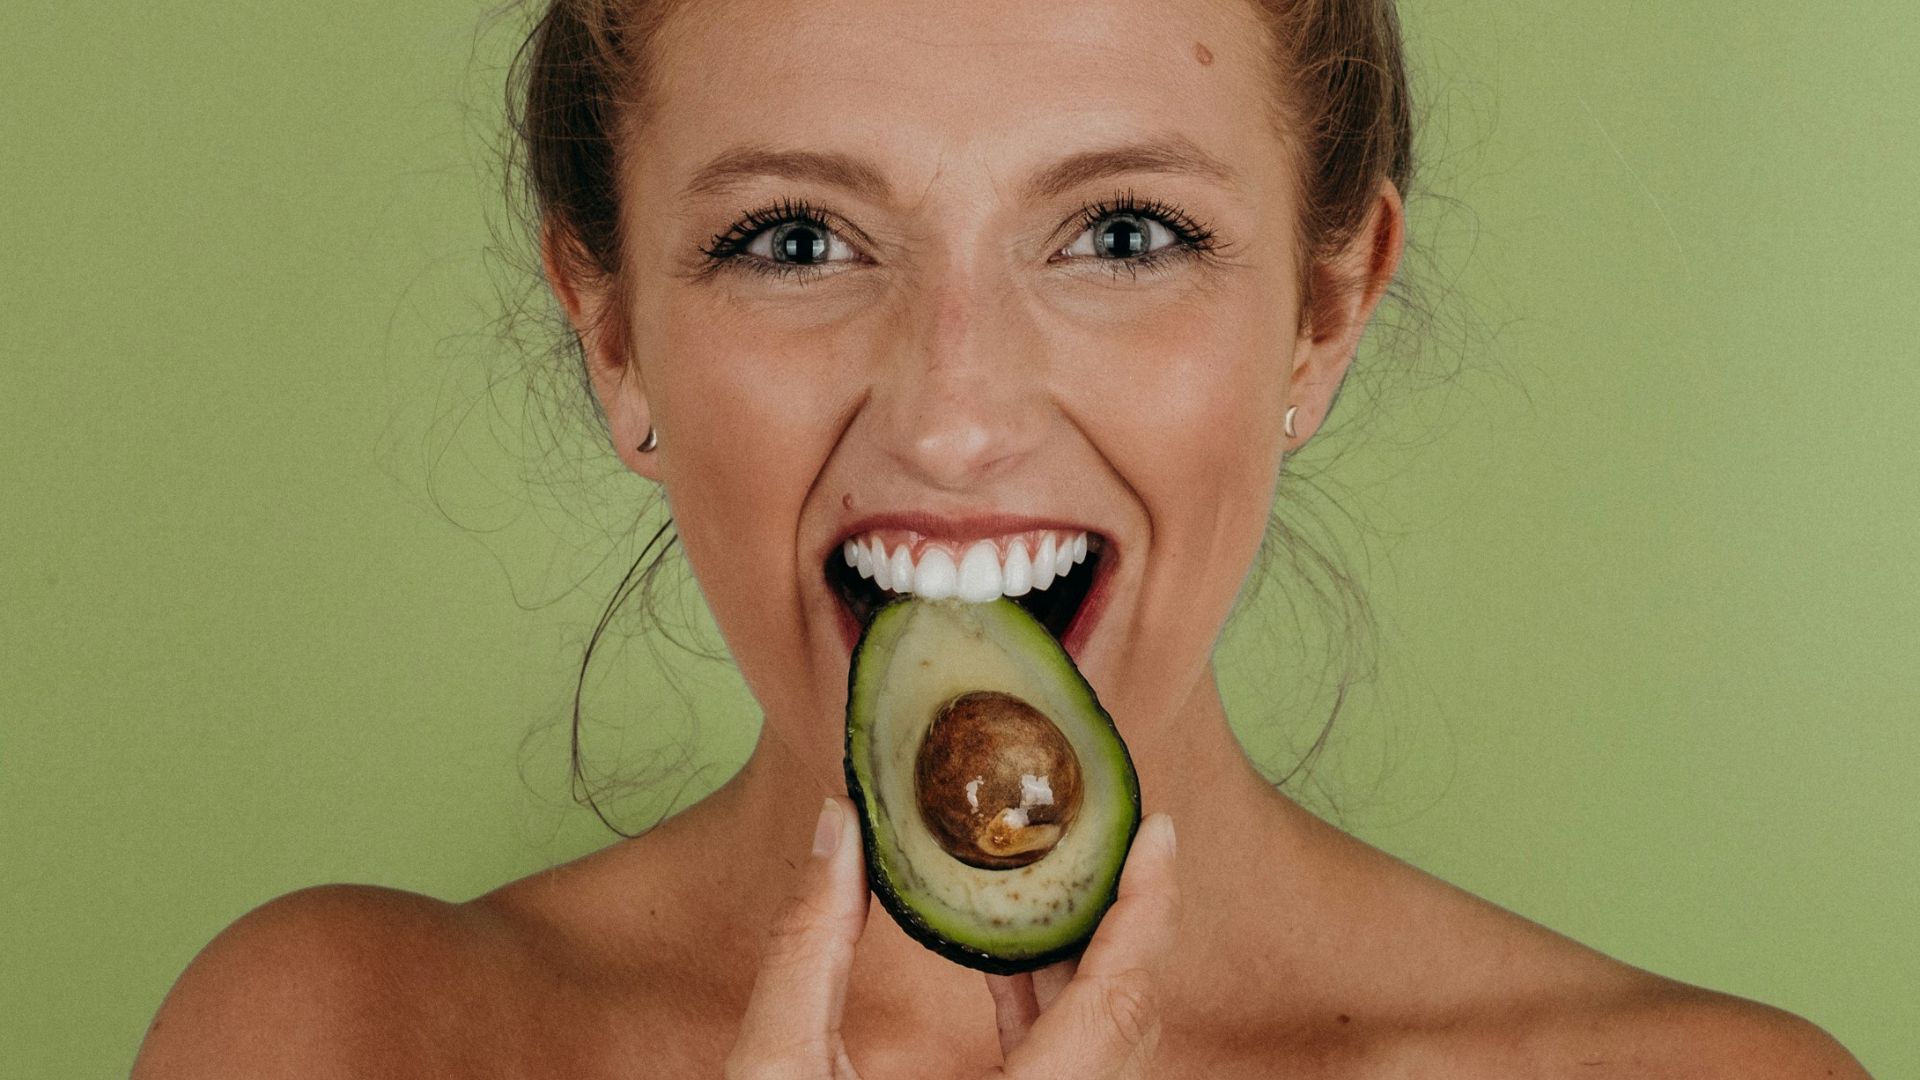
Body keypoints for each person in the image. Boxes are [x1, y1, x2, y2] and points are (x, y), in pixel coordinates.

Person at [133, 0, 1871, 1075]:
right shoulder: (336, 1043)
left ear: (1327, 309)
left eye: (1123, 232)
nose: (955, 417)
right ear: (612, 332)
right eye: (795, 241)